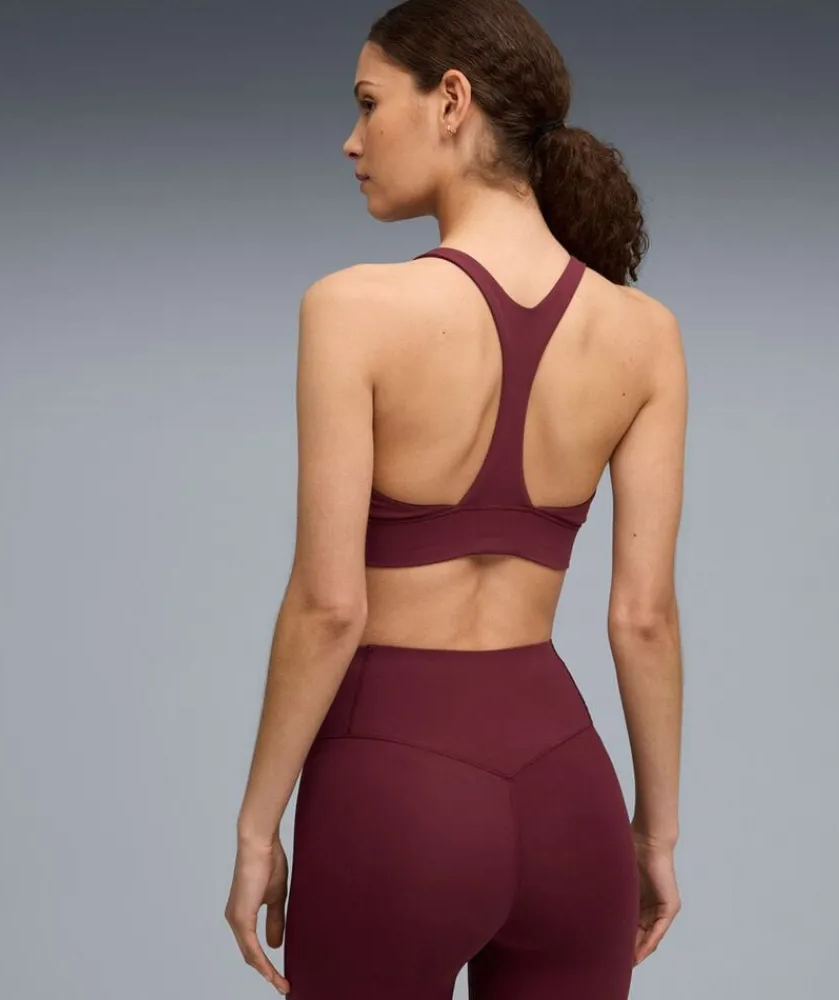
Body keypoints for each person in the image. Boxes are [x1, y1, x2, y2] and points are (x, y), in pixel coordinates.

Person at [224, 1, 686, 996]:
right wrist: (655, 832)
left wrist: (258, 826)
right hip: (571, 798)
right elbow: (643, 618)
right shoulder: (644, 333)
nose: (351, 141)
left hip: (395, 792)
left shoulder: (352, 310)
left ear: (451, 101)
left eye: (367, 103)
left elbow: (329, 606)